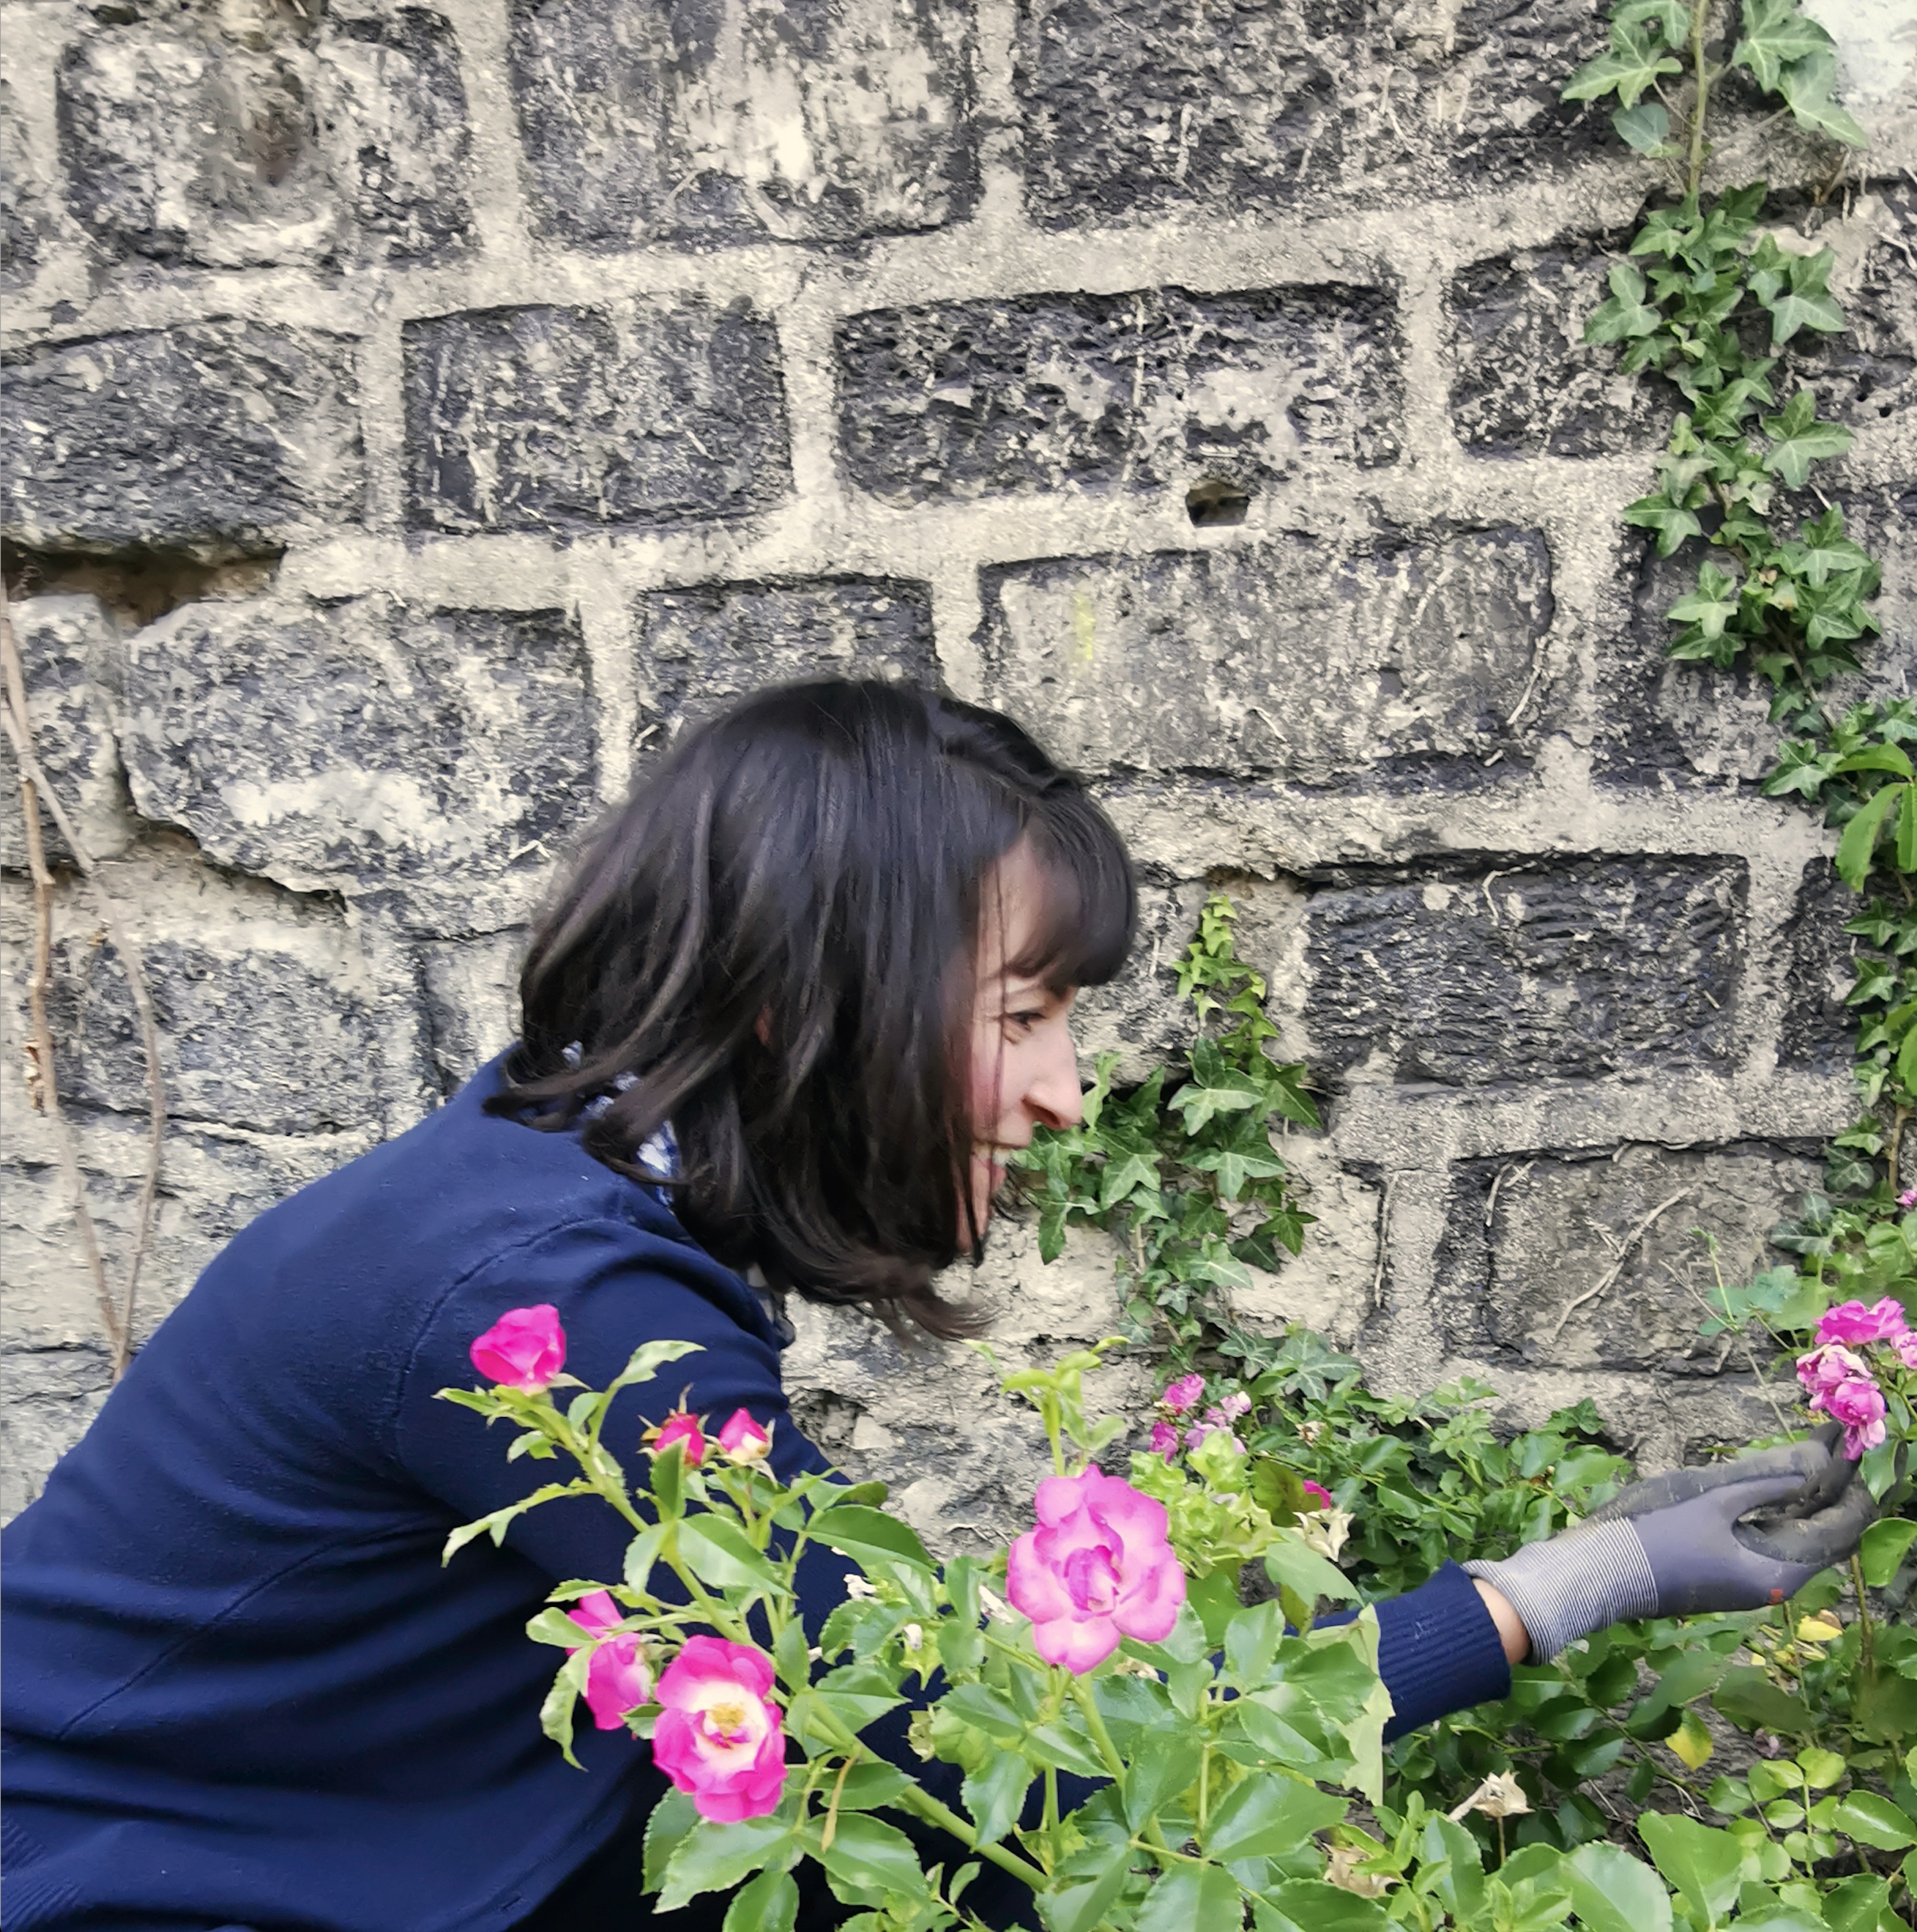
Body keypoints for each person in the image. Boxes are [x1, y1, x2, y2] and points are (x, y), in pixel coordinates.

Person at [1, 680, 1873, 1932]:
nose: (1066, 1090)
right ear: (796, 1001)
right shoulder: (550, 1300)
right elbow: (1005, 1774)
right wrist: (1561, 1593)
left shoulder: (558, 1204)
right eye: (1021, 1014)